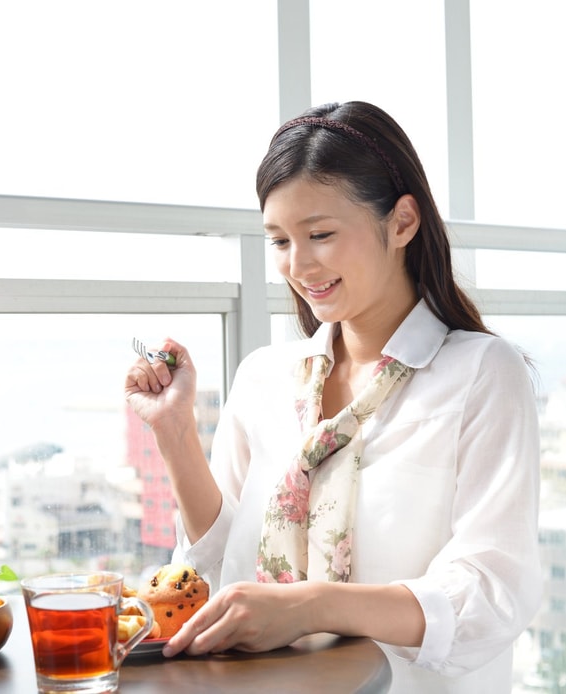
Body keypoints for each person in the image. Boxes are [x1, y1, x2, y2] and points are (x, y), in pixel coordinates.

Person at [125, 101, 541, 692]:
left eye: (320, 234)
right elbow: (216, 569)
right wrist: (175, 434)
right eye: (278, 241)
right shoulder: (265, 375)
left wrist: (314, 605)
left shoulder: (481, 374)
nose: (299, 265)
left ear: (401, 222)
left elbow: (490, 592)